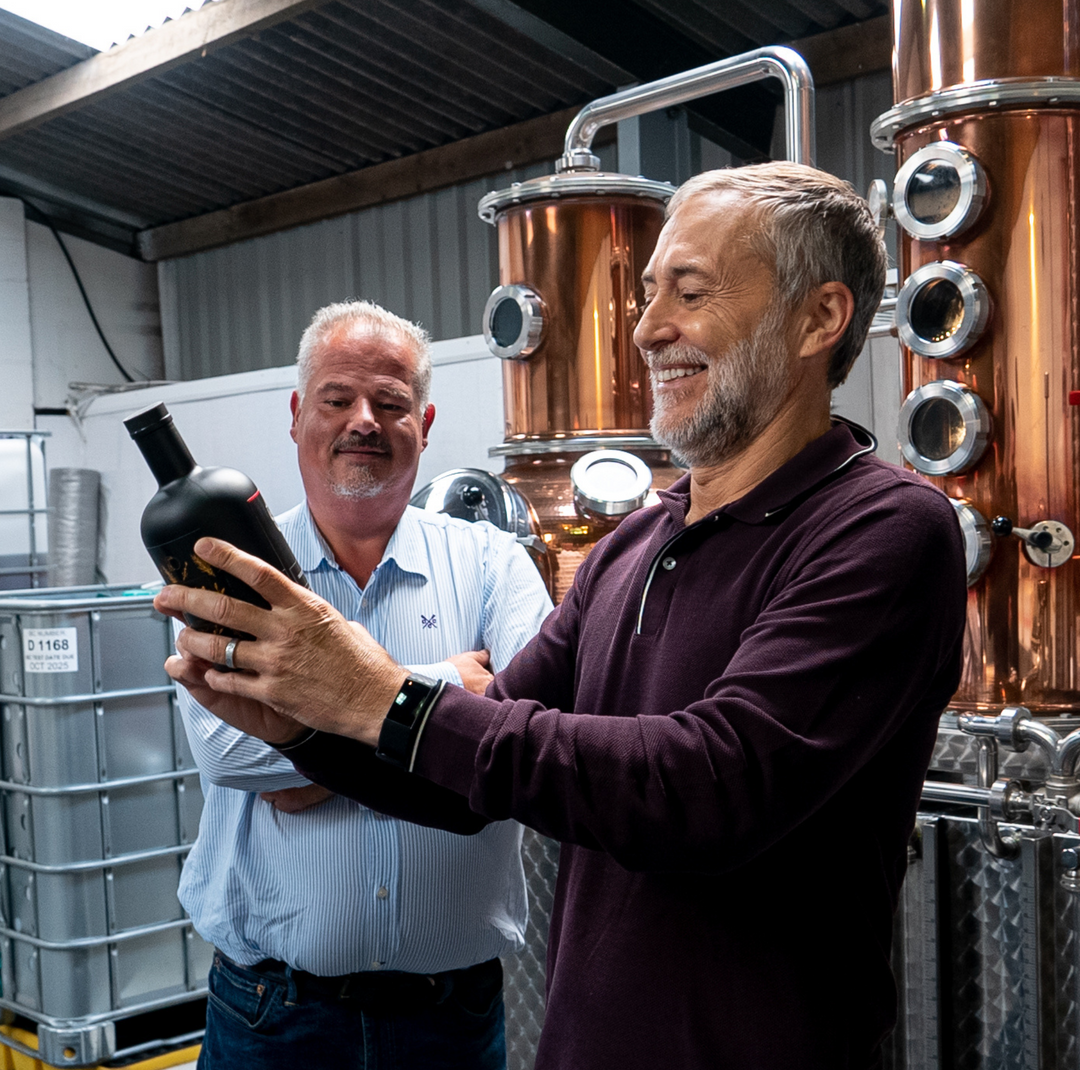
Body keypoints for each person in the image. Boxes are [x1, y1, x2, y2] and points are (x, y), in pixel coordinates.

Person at [159, 164, 968, 1069]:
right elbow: (467, 777)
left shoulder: (885, 530)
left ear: (821, 318)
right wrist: (313, 731)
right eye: (649, 292)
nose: (649, 327)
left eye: (689, 292)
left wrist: (382, 697)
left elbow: (709, 787)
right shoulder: (633, 546)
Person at [173, 300, 553, 1070]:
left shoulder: (493, 563)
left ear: (426, 421)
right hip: (271, 1016)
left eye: (390, 403)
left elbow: (528, 737)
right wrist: (450, 689)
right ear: (296, 414)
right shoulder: (231, 569)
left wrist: (306, 740)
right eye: (338, 398)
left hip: (452, 1016)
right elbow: (230, 755)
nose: (363, 421)